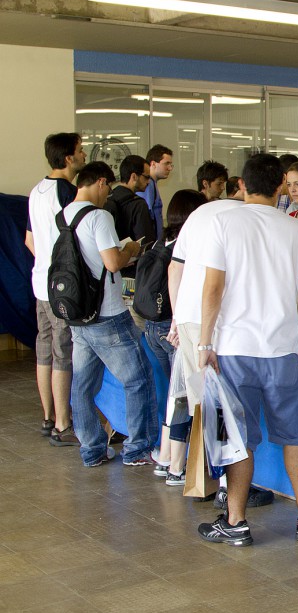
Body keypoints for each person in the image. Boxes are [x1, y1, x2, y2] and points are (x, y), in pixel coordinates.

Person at [195, 153, 298, 546]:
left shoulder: (224, 222)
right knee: (295, 435)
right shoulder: (295, 231)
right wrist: (297, 336)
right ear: (279, 187)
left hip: (234, 348)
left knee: (237, 437)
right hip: (282, 350)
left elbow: (213, 288)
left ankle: (236, 521)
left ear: (241, 183)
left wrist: (205, 342)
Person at [63, 161, 157, 468]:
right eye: (108, 189)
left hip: (77, 314)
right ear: (101, 182)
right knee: (138, 379)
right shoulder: (98, 216)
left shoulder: (62, 215)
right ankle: (137, 448)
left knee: (83, 385)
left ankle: (91, 450)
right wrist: (130, 249)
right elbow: (113, 262)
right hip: (107, 314)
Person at [168, 192, 246, 489]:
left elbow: (175, 268)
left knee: (201, 399)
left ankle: (200, 477)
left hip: (188, 316)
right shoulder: (244, 217)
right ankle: (226, 484)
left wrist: (176, 318)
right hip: (219, 319)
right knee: (224, 401)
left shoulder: (198, 214)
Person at [25, 132, 85, 445]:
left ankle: (49, 416)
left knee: (44, 346)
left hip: (39, 282)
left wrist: (48, 266)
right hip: (61, 287)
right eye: (80, 150)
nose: (85, 154)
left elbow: (30, 240)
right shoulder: (68, 192)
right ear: (67, 159)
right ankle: (64, 424)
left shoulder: (37, 190)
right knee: (64, 350)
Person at [144, 188, 206, 484]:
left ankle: (166, 455)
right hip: (178, 329)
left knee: (173, 396)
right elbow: (175, 275)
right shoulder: (190, 242)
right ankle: (178, 466)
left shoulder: (163, 238)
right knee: (186, 398)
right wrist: (179, 323)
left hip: (154, 325)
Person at [104, 154, 154, 252]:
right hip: (133, 261)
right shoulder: (138, 205)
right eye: (146, 177)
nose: (148, 182)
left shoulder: (108, 198)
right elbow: (145, 243)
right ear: (134, 176)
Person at [138, 144, 173, 242]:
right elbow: (147, 218)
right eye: (166, 163)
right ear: (153, 164)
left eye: (171, 165)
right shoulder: (148, 185)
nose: (169, 168)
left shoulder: (152, 184)